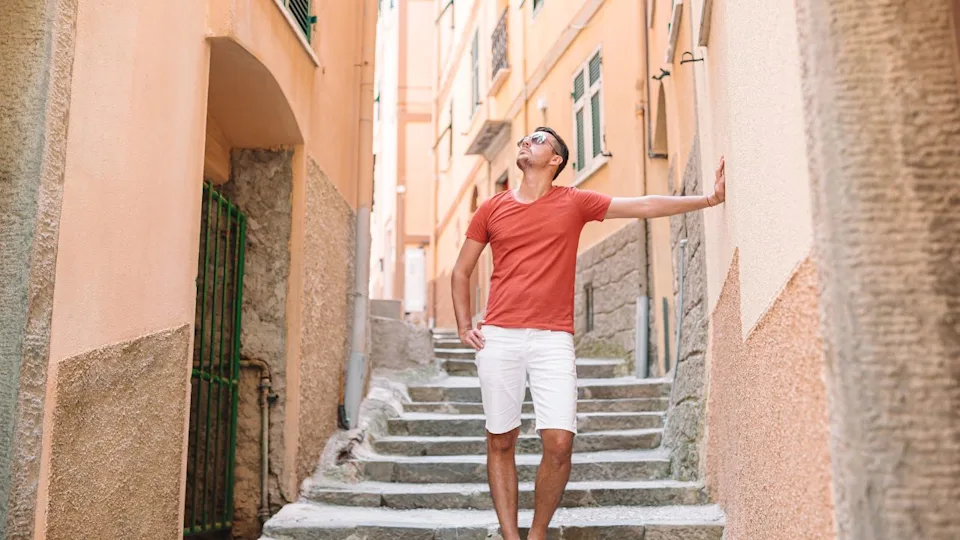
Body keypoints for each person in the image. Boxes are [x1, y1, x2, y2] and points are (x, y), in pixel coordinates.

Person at [451, 126, 726, 540]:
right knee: (501, 440)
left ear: (556, 159)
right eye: (525, 138)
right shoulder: (491, 208)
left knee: (560, 443)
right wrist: (462, 326)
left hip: (553, 339)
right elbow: (460, 270)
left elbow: (643, 204)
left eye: (538, 139)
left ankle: (538, 532)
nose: (527, 141)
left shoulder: (574, 202)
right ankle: (511, 537)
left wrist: (708, 199)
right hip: (500, 337)